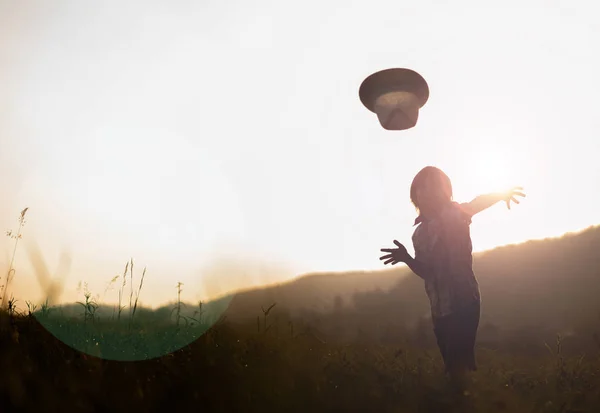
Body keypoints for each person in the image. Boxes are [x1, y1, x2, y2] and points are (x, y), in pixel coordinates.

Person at [379, 166, 525, 391]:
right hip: (439, 309)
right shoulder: (418, 234)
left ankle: (464, 399)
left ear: (445, 192)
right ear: (415, 195)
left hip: (464, 301)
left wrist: (502, 194)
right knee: (456, 366)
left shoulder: (455, 214)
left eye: (435, 186)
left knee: (457, 369)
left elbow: (478, 203)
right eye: (422, 188)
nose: (428, 192)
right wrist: (407, 258)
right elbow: (427, 272)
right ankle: (471, 397)